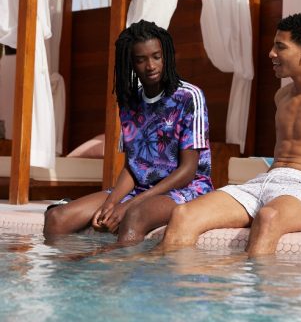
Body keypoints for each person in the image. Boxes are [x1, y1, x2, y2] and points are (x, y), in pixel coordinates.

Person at [161, 13, 301, 257]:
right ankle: (175, 281)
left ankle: (253, 283)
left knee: (268, 217)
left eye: (280, 46)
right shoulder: (282, 96)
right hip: (264, 183)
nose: (271, 53)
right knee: (183, 214)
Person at [44, 20, 213, 244]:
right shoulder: (129, 102)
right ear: (131, 63)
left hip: (187, 189)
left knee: (134, 217)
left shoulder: (189, 96)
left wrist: (130, 205)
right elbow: (133, 167)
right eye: (141, 60)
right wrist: (111, 203)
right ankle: (73, 267)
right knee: (56, 218)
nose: (150, 66)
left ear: (166, 56)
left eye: (156, 56)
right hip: (141, 190)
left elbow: (188, 171)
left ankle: (108, 266)